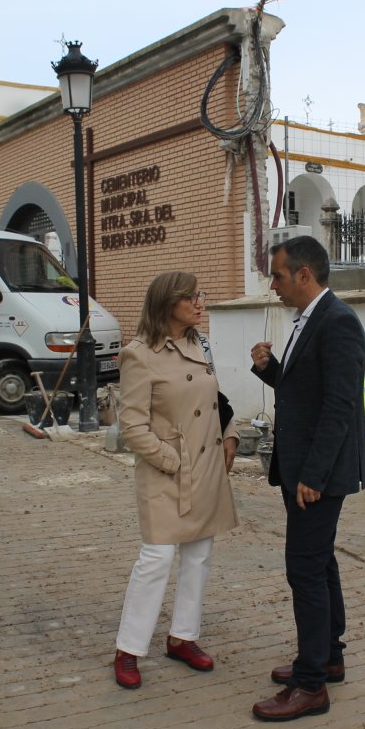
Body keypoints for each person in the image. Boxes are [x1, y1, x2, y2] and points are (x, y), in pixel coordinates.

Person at [249, 236, 365, 721]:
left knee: (304, 568)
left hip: (317, 473)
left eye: (278, 276)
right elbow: (304, 390)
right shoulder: (307, 319)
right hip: (304, 467)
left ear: (304, 275)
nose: (273, 285)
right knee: (320, 564)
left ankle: (310, 686)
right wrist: (270, 370)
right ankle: (328, 657)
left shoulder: (339, 321)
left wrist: (314, 475)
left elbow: (340, 405)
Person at [113, 271, 241, 689]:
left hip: (206, 471)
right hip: (166, 472)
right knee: (156, 559)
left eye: (200, 295)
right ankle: (129, 649)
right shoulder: (139, 354)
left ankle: (183, 637)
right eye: (191, 297)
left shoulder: (198, 343)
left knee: (199, 556)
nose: (200, 303)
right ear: (168, 304)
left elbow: (215, 401)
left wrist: (232, 433)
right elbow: (132, 427)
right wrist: (172, 460)